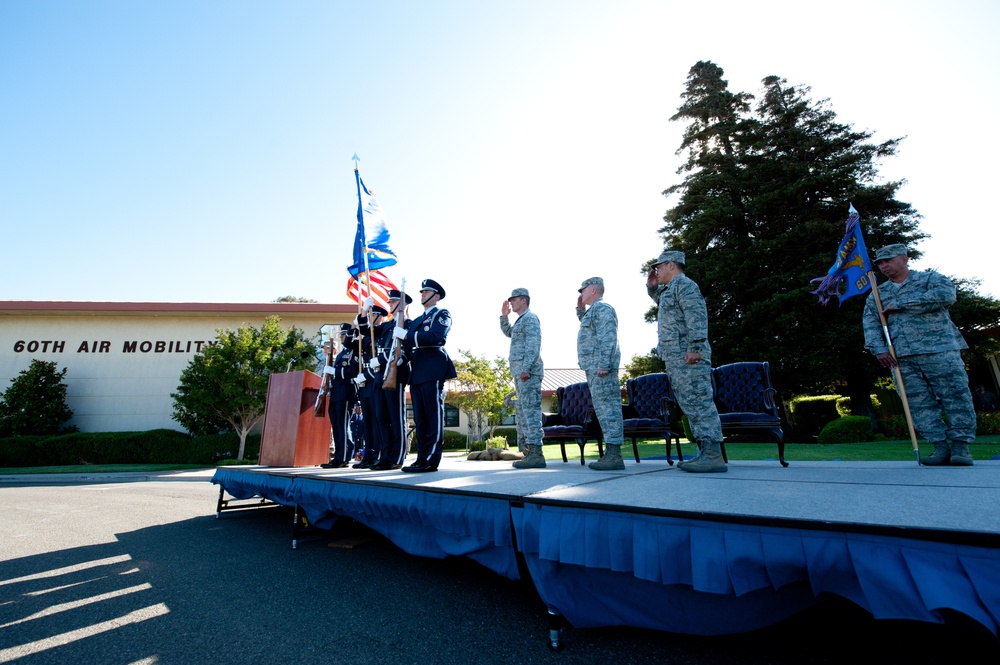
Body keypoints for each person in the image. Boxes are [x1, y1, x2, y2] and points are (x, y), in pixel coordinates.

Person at [863, 244, 976, 466]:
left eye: (889, 260)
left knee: (955, 396)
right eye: (880, 263)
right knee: (917, 403)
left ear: (904, 259)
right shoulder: (878, 293)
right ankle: (939, 446)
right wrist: (880, 349)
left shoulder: (929, 279)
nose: (884, 265)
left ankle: (961, 447)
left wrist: (903, 304)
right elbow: (870, 323)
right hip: (901, 356)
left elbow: (946, 296)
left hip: (940, 350)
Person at [646, 250, 725, 473]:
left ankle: (712, 454)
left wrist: (696, 348)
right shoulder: (671, 289)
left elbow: (696, 316)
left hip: (689, 356)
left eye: (659, 267)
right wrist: (652, 287)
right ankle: (706, 451)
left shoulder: (685, 285)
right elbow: (664, 304)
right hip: (677, 358)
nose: (656, 271)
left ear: (671, 265)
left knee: (699, 401)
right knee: (690, 402)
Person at [397, 278, 457, 473]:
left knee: (433, 416)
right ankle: (421, 458)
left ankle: (431, 459)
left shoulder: (442, 314)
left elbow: (435, 337)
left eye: (427, 291)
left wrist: (407, 336)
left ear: (436, 296)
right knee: (421, 418)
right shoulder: (415, 321)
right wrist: (399, 359)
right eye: (422, 291)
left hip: (433, 368)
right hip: (417, 371)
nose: (422, 294)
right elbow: (407, 346)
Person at [576, 277, 625, 470]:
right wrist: (580, 310)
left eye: (583, 290)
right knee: (603, 411)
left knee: (609, 410)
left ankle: (614, 455)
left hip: (601, 368)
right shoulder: (593, 310)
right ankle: (611, 453)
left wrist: (604, 363)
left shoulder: (603, 308)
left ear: (594, 290)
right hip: (595, 368)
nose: (581, 294)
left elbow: (608, 337)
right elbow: (589, 326)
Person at [500, 288, 545, 469]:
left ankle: (536, 453)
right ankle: (530, 451)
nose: (511, 302)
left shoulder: (530, 318)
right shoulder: (521, 320)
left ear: (523, 301)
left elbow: (534, 344)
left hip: (528, 373)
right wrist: (504, 317)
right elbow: (509, 333)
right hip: (521, 374)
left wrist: (526, 368)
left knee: (531, 413)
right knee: (526, 413)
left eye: (514, 300)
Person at [320, 323, 359, 468]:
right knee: (336, 426)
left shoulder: (354, 351)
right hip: (336, 392)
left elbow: (353, 372)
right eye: (341, 334)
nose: (342, 336)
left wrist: (334, 372)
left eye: (344, 334)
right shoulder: (342, 353)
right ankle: (339, 456)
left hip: (346, 392)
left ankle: (342, 458)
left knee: (342, 425)